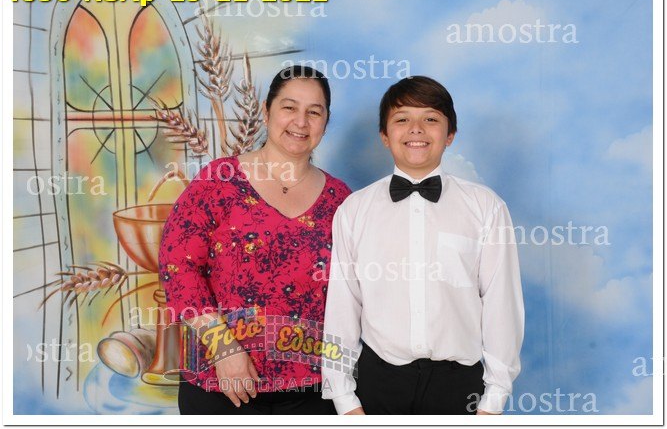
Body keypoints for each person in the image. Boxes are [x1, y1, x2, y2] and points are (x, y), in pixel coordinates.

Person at [322, 76, 524, 415]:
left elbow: (501, 304)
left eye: (430, 118)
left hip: (460, 386)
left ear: (450, 134)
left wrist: (493, 400)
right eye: (402, 119)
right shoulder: (354, 210)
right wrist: (343, 398)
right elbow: (342, 307)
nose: (416, 129)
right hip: (377, 383)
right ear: (384, 136)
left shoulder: (486, 207)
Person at [158, 66, 351, 414]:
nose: (300, 122)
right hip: (220, 384)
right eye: (289, 107)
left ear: (325, 122)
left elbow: (353, 291)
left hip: (312, 390)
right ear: (266, 111)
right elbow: (178, 266)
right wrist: (222, 347)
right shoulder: (219, 180)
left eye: (314, 112)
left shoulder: (341, 200)